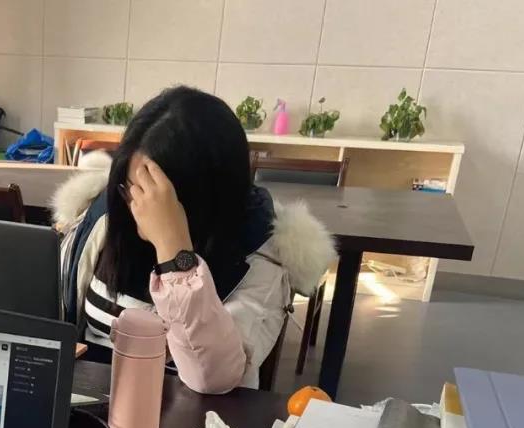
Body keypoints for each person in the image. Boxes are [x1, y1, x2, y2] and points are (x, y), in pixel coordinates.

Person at [54, 86, 336, 393]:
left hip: (190, 417)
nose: (136, 204)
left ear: (200, 197)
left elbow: (212, 378)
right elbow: (58, 313)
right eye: (130, 187)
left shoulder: (261, 257)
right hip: (91, 404)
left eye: (154, 194)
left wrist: (175, 256)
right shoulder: (108, 216)